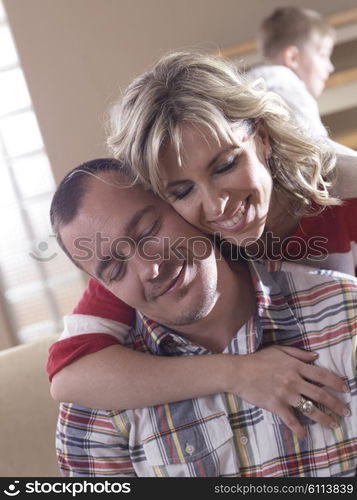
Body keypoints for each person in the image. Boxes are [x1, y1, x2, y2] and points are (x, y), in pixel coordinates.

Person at [48, 52, 357, 436]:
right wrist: (235, 373)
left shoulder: (348, 192)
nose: (216, 205)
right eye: (182, 190)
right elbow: (70, 376)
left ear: (260, 137)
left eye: (225, 164)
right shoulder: (171, 248)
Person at [53, 159, 357, 477]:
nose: (150, 268)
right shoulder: (94, 403)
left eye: (147, 231)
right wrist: (235, 373)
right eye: (115, 269)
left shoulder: (344, 313)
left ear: (183, 204)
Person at [246, 6, 356, 156]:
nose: (330, 67)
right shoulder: (286, 85)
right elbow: (319, 149)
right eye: (323, 55)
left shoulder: (252, 86)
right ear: (292, 58)